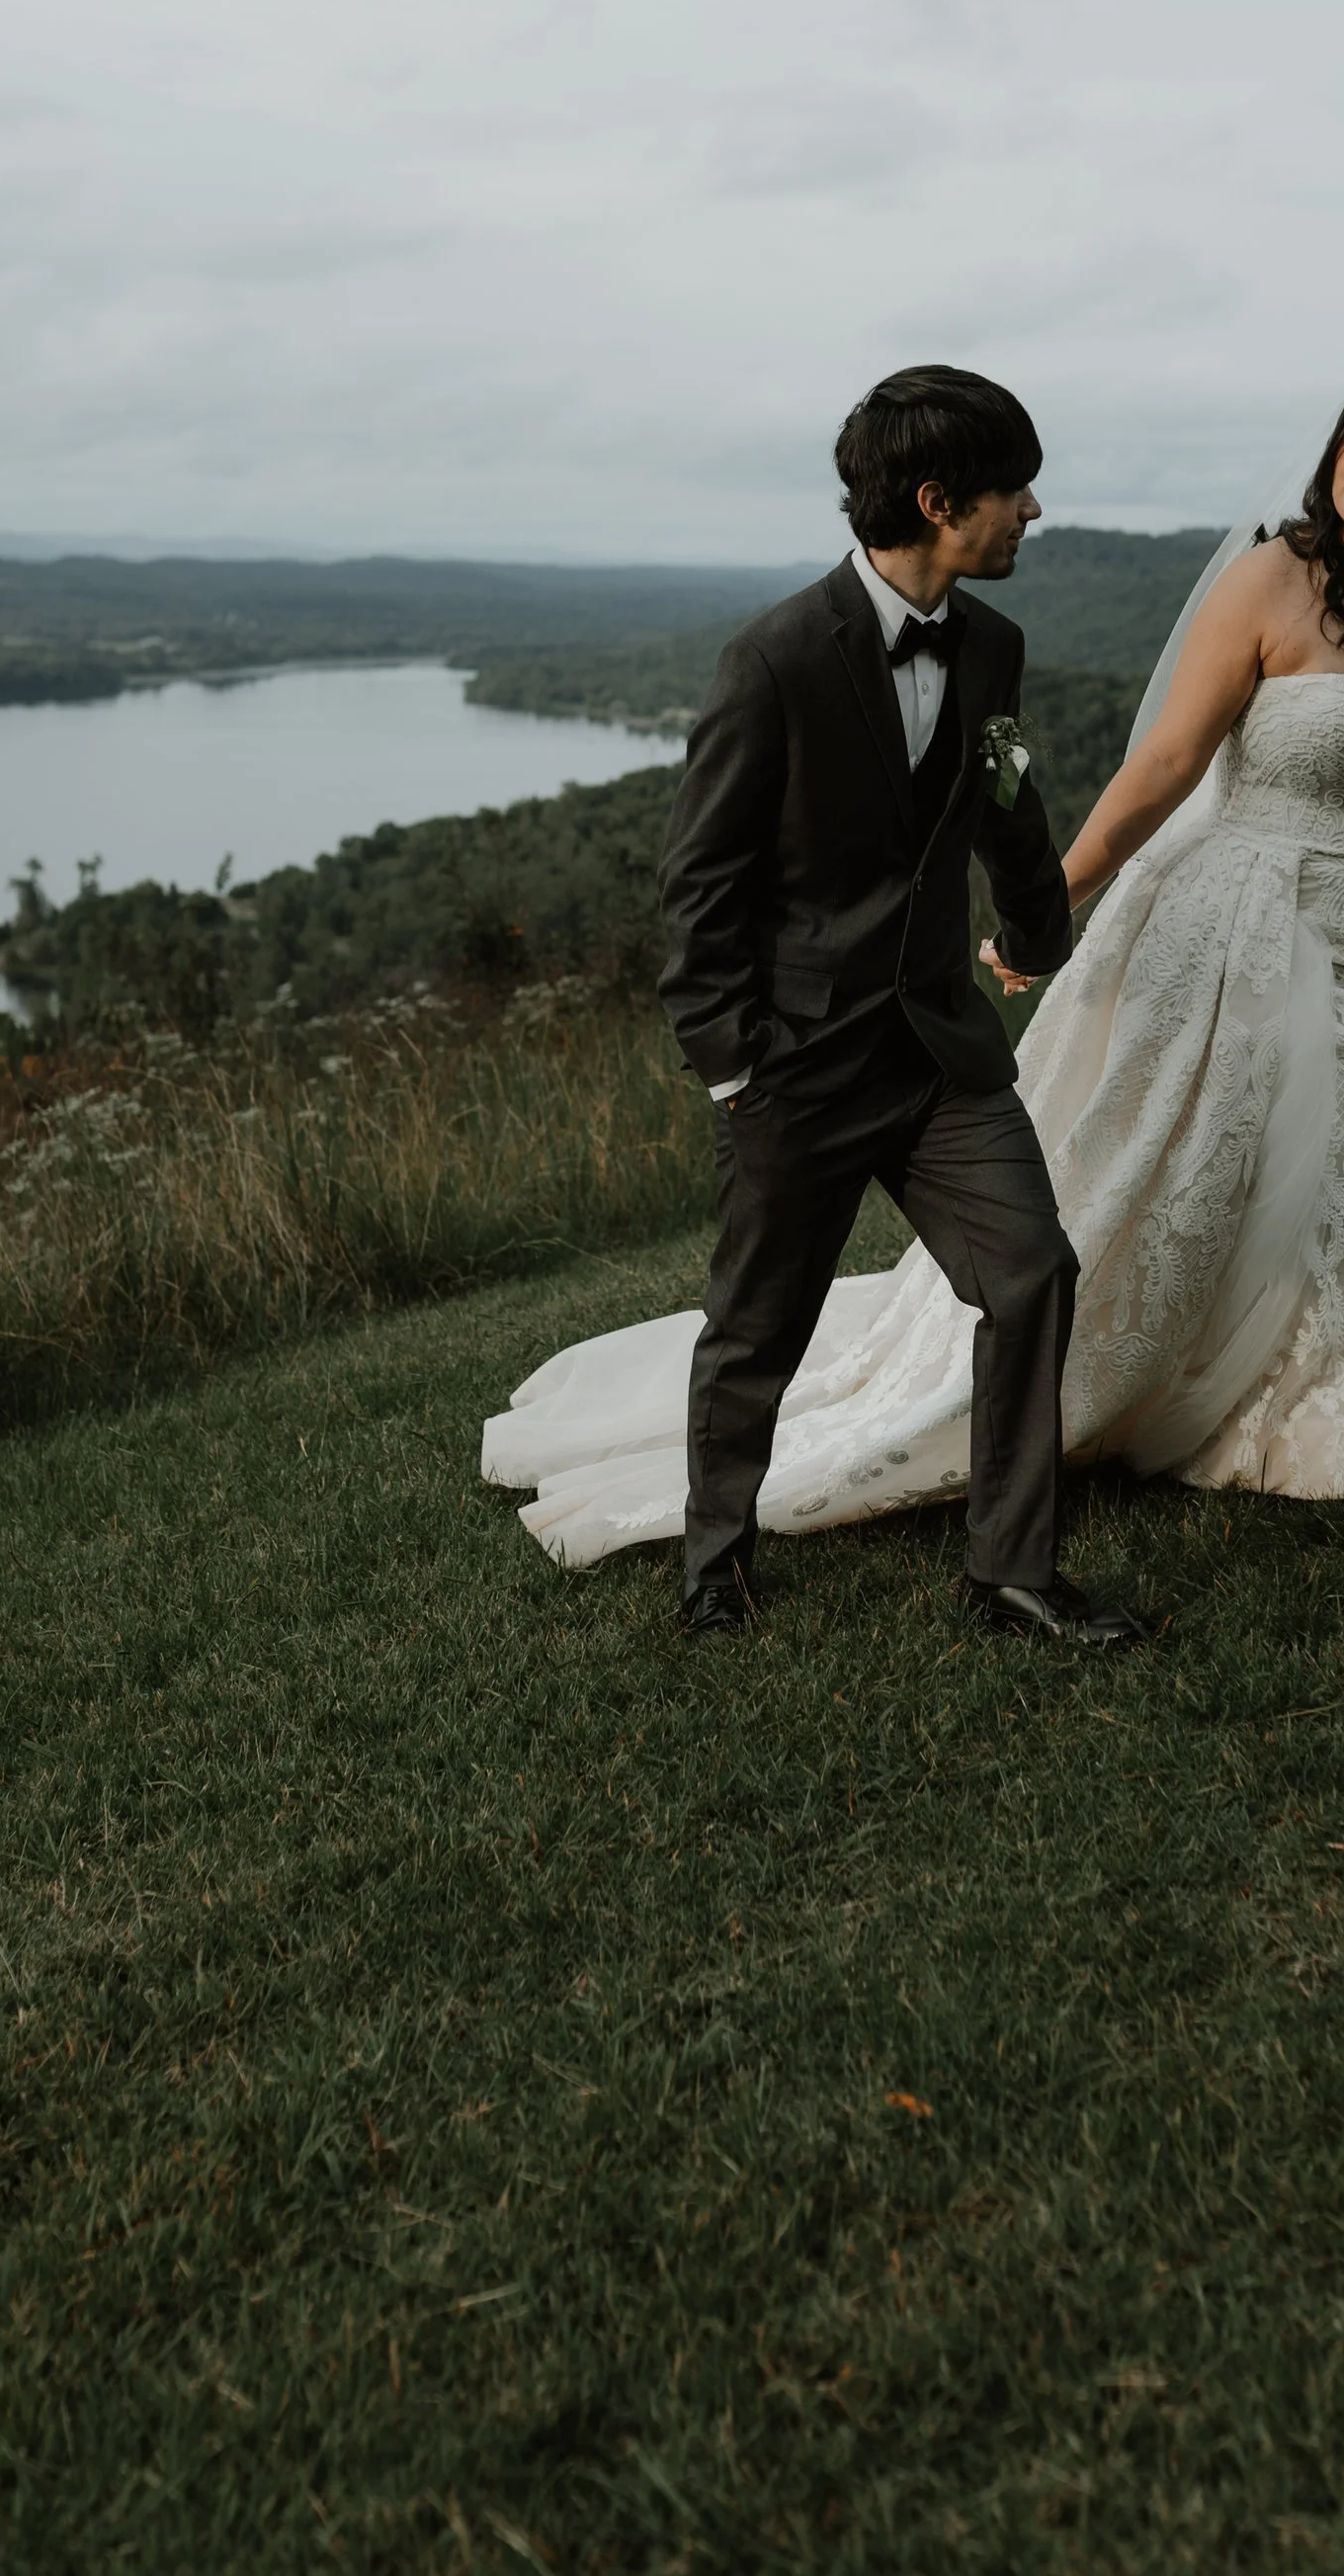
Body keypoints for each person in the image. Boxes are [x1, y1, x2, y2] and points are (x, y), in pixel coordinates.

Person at [479, 352, 1344, 1570]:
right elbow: (1155, 770)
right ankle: (735, 1549)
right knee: (1156, 1204)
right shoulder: (1265, 580)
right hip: (1234, 930)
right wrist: (748, 1056)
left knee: (1325, 1201)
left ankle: (1289, 1440)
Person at [480, 366, 1138, 1648]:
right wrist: (734, 1066)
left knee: (1029, 1275)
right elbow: (699, 884)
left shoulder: (993, 647)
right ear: (941, 500)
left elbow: (1004, 804)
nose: (1035, 510)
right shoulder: (776, 657)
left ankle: (1011, 1573)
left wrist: (1035, 929)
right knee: (757, 1325)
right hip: (797, 1066)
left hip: (941, 1054)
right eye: (1015, 489)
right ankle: (714, 1565)